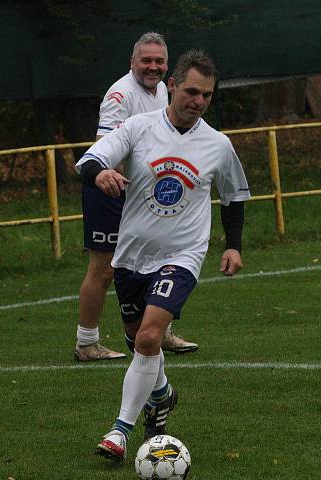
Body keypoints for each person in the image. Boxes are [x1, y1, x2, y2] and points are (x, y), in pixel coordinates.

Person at [75, 49, 250, 459]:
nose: (198, 101)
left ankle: (119, 432)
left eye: (207, 95)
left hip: (183, 254)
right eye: (191, 91)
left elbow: (235, 196)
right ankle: (163, 392)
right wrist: (100, 173)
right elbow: (88, 159)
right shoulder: (138, 127)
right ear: (171, 86)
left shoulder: (218, 144)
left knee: (152, 335)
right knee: (139, 340)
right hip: (133, 255)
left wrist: (233, 244)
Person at [74, 32, 199, 362]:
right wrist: (109, 175)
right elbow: (104, 144)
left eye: (159, 61)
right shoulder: (120, 94)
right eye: (146, 60)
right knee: (103, 270)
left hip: (140, 194)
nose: (152, 67)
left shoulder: (163, 91)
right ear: (132, 62)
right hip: (108, 188)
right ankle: (87, 343)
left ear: (167, 66)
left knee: (160, 262)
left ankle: (161, 332)